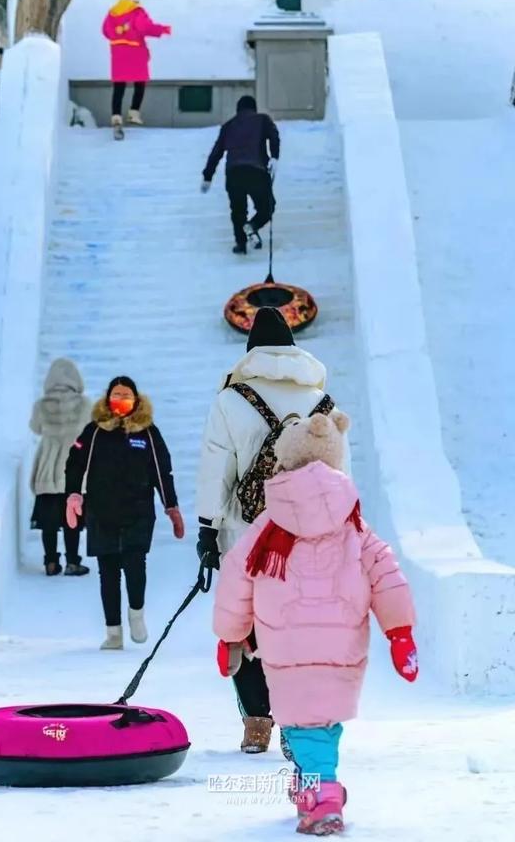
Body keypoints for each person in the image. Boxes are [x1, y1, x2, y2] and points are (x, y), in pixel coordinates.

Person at [213, 411, 417, 835]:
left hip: (285, 647)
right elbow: (385, 571)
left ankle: (321, 792)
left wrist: (230, 636)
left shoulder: (270, 522)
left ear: (284, 460)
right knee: (323, 719)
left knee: (303, 720)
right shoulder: (353, 520)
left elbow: (237, 573)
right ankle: (313, 783)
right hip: (343, 644)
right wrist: (399, 633)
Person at [195, 307, 350, 753]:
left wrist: (208, 527)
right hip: (310, 539)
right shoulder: (325, 404)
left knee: (246, 626)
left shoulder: (231, 400)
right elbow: (342, 476)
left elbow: (215, 469)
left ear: (251, 351)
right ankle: (296, 725)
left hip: (246, 535)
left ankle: (256, 724)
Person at [65, 376, 185, 649]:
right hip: (101, 511)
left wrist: (171, 506)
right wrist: (73, 493)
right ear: (108, 398)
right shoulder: (94, 431)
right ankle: (113, 632)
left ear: (136, 399)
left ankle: (136, 614)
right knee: (107, 572)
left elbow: (162, 470)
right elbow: (74, 462)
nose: (121, 399)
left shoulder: (148, 432)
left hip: (138, 512)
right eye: (116, 394)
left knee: (134, 565)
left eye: (126, 394)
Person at [30, 358, 92, 577]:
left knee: (48, 521)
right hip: (72, 468)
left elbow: (35, 428)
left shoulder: (41, 405)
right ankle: (73, 562)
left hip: (47, 467)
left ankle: (50, 562)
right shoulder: (84, 405)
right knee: (71, 518)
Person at [201, 95, 280, 254]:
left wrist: (207, 176)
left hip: (234, 172)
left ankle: (241, 245)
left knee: (238, 211)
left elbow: (216, 153)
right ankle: (253, 226)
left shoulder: (228, 126)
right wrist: (274, 156)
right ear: (254, 108)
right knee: (267, 206)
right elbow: (274, 136)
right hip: (256, 170)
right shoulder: (262, 119)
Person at [101, 0, 171, 136]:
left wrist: (119, 37)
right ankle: (134, 112)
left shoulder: (112, 13)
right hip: (135, 52)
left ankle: (116, 116)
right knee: (140, 83)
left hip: (118, 53)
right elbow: (145, 27)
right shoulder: (137, 11)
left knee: (119, 85)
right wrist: (163, 29)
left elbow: (105, 31)